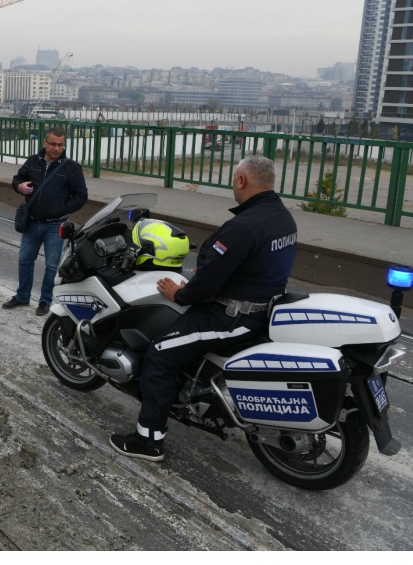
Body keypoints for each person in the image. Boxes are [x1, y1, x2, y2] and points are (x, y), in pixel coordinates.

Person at [112, 154, 297, 462]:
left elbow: (203, 287)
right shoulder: (282, 217)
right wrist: (216, 275)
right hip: (261, 306)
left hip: (230, 317)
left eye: (234, 179)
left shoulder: (243, 225)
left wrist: (180, 294)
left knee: (159, 354)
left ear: (241, 181)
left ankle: (148, 441)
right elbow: (256, 265)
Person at [4, 125, 88, 316]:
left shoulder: (71, 167)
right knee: (25, 260)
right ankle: (22, 296)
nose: (56, 148)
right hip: (32, 222)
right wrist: (20, 187)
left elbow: (81, 196)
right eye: (53, 144)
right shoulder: (33, 162)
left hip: (55, 225)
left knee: (51, 265)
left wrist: (62, 209)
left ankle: (45, 301)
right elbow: (17, 178)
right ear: (45, 143)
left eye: (60, 145)